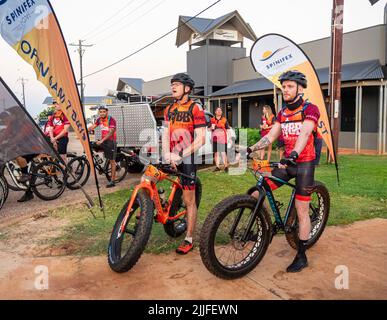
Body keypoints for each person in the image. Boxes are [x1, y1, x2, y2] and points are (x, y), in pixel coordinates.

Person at [247, 70, 320, 273]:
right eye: (283, 86)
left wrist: (295, 153)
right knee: (256, 192)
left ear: (300, 88)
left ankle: (302, 255)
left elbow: (305, 133)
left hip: (304, 163)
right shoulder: (282, 113)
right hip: (287, 163)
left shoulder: (310, 109)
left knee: (302, 210)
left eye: (289, 86)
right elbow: (270, 136)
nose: (285, 90)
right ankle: (265, 226)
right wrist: (250, 149)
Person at [163, 73, 206, 255]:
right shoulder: (169, 109)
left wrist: (181, 155)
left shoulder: (196, 108)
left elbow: (201, 139)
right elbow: (165, 134)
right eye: (172, 84)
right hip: (171, 154)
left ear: (187, 88)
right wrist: (166, 153)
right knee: (149, 176)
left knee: (189, 200)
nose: (173, 87)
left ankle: (188, 237)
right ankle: (152, 208)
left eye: (177, 84)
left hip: (188, 157)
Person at [88, 106, 118, 188]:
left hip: (111, 142)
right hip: (103, 141)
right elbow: (92, 127)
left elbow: (111, 132)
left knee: (112, 161)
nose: (102, 113)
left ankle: (112, 181)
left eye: (103, 111)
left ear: (107, 112)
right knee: (91, 145)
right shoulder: (99, 119)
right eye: (100, 112)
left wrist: (102, 140)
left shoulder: (111, 120)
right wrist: (84, 131)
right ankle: (100, 162)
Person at [210, 107, 231, 173]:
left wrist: (229, 138)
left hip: (222, 139)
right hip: (215, 139)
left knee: (223, 153)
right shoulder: (212, 120)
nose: (219, 111)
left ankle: (226, 166)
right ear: (215, 112)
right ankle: (217, 167)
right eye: (217, 110)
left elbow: (228, 129)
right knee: (216, 153)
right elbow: (208, 129)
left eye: (220, 110)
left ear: (221, 112)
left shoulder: (224, 120)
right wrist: (211, 127)